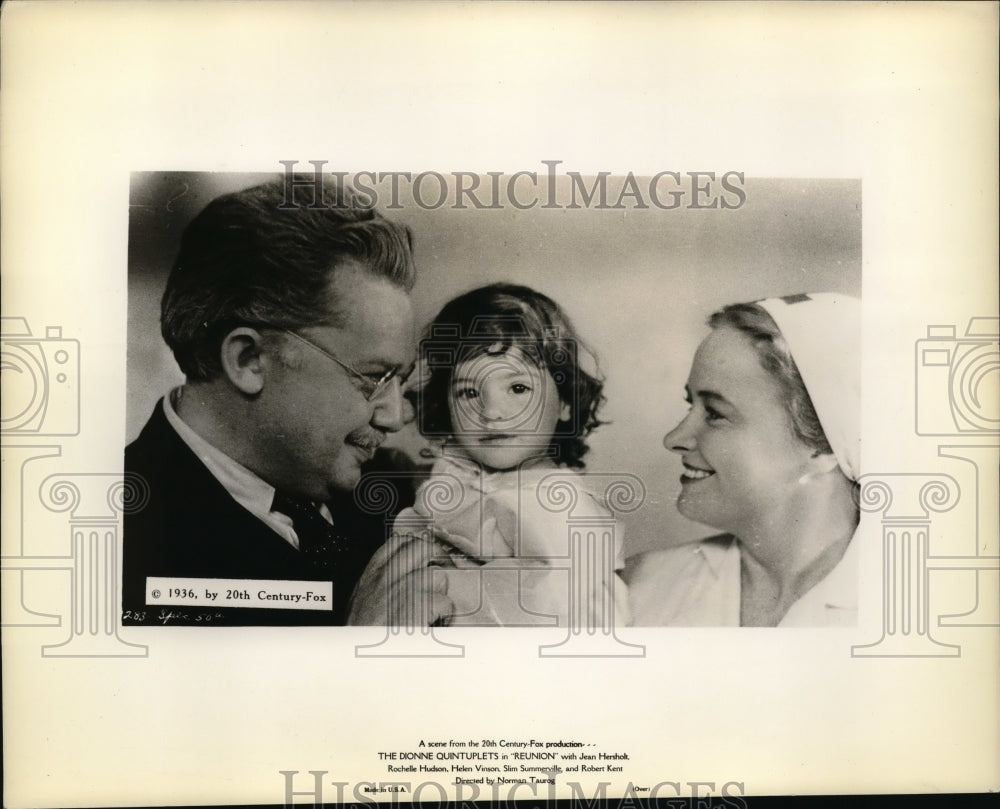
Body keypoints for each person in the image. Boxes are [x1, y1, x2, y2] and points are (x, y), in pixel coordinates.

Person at [122, 177, 417, 626]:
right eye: (374, 378)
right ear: (249, 359)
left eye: (402, 380)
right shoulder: (114, 540)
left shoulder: (401, 495)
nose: (396, 416)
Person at [348, 283, 629, 627]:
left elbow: (551, 602)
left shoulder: (561, 503)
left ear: (566, 402)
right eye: (468, 392)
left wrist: (436, 587)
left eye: (518, 388)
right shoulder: (456, 474)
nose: (492, 412)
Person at [626, 292, 861, 627]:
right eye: (690, 406)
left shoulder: (907, 609)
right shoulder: (637, 591)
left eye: (716, 414)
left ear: (823, 446)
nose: (674, 439)